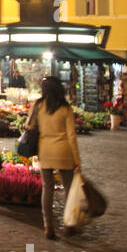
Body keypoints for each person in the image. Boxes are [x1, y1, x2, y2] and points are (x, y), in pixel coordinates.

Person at [32, 76, 82, 240]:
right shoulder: (65, 108)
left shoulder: (39, 106)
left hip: (45, 150)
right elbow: (71, 136)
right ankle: (69, 224)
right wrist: (77, 160)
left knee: (47, 189)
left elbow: (29, 125)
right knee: (69, 189)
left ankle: (48, 226)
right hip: (63, 151)